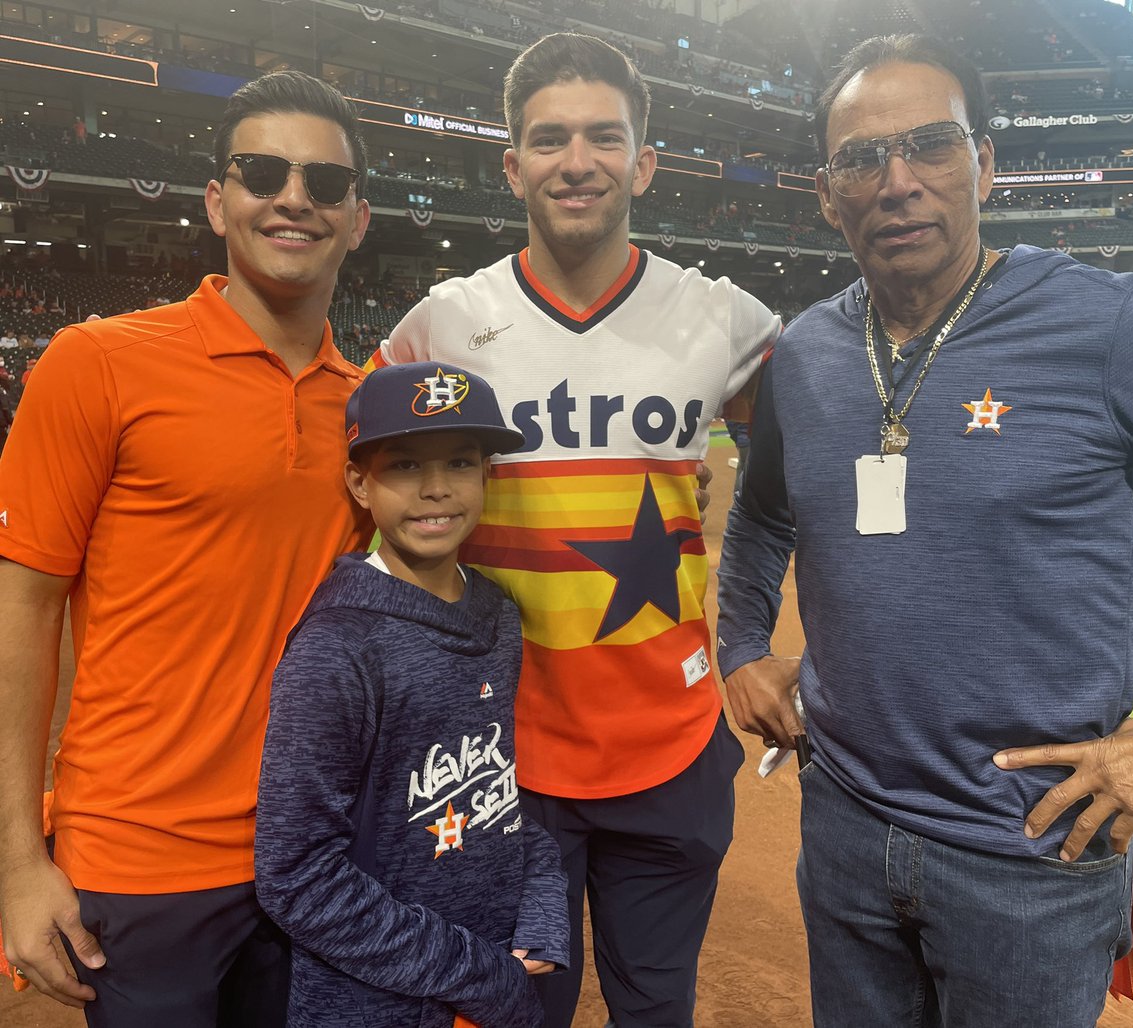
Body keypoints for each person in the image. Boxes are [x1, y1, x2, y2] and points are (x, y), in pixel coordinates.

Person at [716, 33, 1133, 1027]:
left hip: (1032, 855)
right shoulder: (804, 355)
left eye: (930, 145)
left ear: (983, 163)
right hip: (844, 831)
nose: (898, 182)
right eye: (862, 157)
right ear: (825, 191)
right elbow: (762, 516)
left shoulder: (1116, 326)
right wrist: (741, 645)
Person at [369, 32, 780, 1028]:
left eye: (605, 136)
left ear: (643, 162)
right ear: (513, 166)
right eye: (548, 138)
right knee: (508, 1008)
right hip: (502, 756)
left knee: (657, 1009)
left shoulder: (724, 318)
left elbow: (811, 475)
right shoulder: (442, 322)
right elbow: (359, 477)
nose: (577, 159)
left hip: (672, 752)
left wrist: (753, 635)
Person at [0, 69, 373, 1025]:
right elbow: (24, 608)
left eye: (325, 183)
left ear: (358, 218)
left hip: (315, 856)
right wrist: (16, 864)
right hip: (139, 861)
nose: (294, 197)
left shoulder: (373, 409)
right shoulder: (97, 364)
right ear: (219, 201)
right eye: (261, 171)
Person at [255, 361, 569, 1027]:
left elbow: (493, 794)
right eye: (403, 466)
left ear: (487, 475)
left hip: (478, 979)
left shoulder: (498, 614)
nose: (435, 489)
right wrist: (485, 977)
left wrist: (541, 898)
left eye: (459, 462)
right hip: (372, 1004)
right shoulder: (338, 647)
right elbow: (297, 877)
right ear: (358, 483)